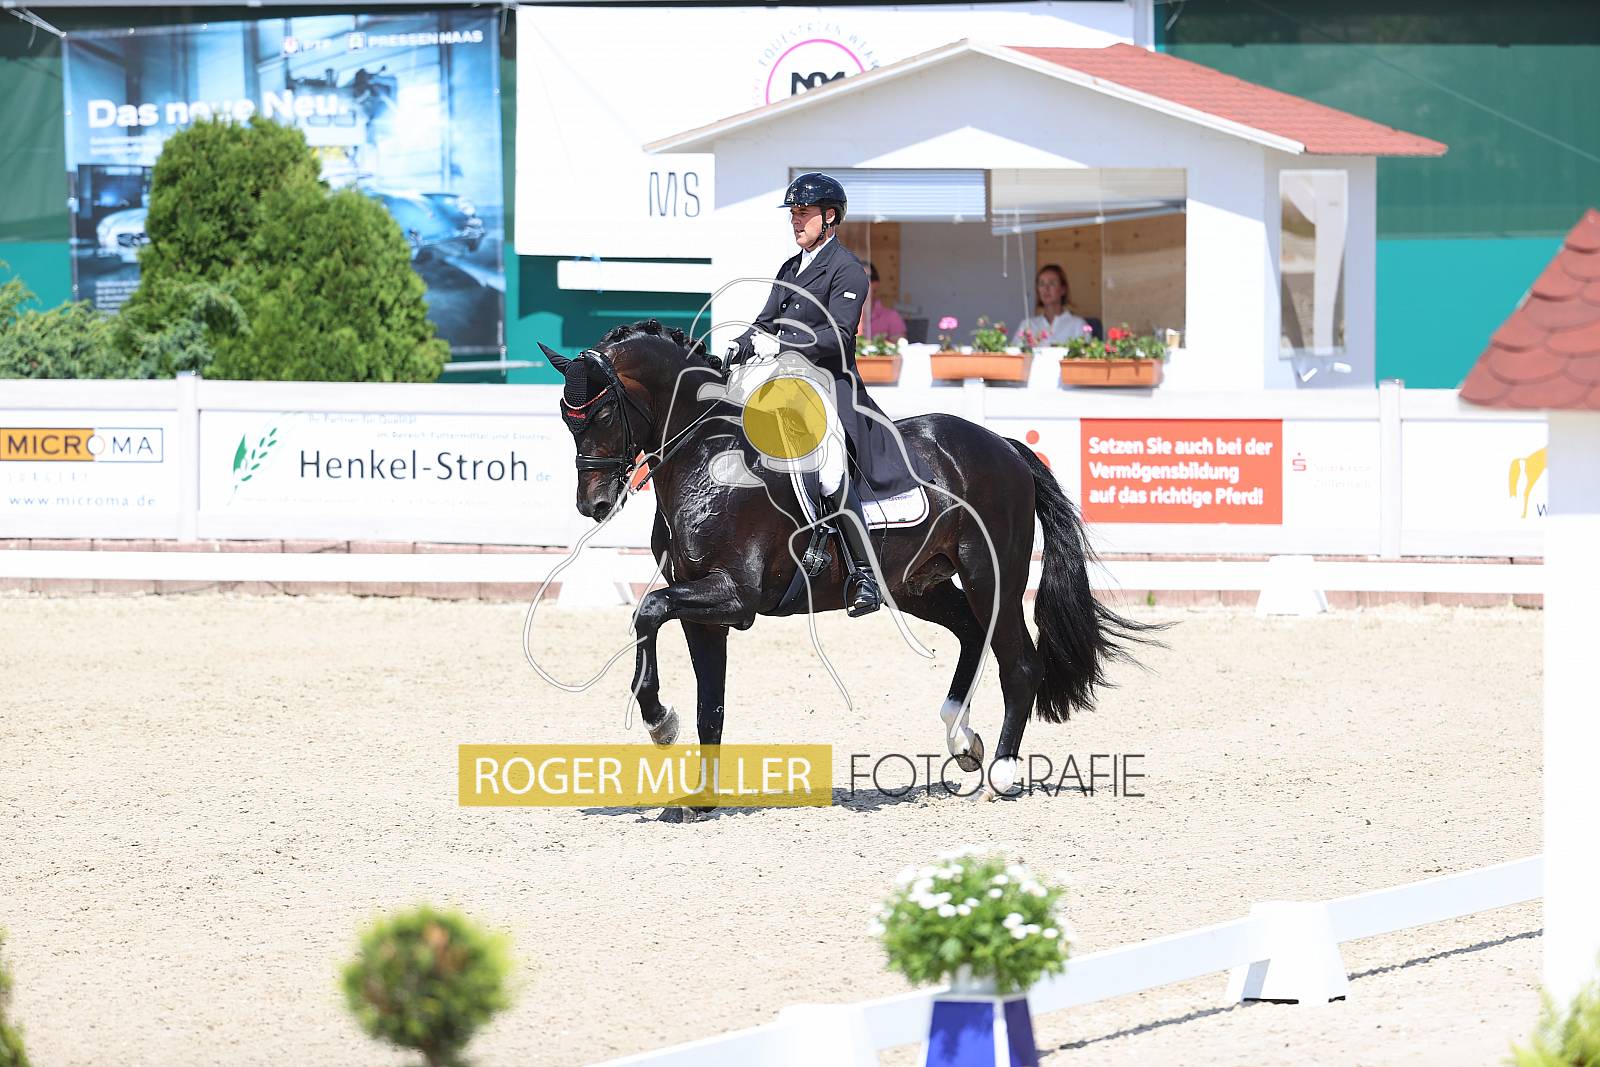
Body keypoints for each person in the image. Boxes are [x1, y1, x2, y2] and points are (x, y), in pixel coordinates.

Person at [727, 172, 923, 618]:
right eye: (793, 213)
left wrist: (781, 344)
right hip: (782, 386)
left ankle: (864, 574)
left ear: (829, 217)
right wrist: (742, 343)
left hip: (827, 388)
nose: (795, 220)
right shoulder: (789, 269)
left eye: (804, 213)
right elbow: (764, 321)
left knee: (831, 469)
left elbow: (838, 335)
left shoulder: (847, 269)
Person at [1011, 264, 1091, 347]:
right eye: (1042, 284)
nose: (1046, 288)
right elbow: (1014, 352)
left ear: (1063, 289)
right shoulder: (1027, 325)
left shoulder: (1078, 325)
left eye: (1052, 283)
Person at [860, 263, 907, 342]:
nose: (860, 282)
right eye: (854, 278)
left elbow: (901, 345)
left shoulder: (891, 317)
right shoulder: (841, 317)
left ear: (876, 284)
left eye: (866, 277)